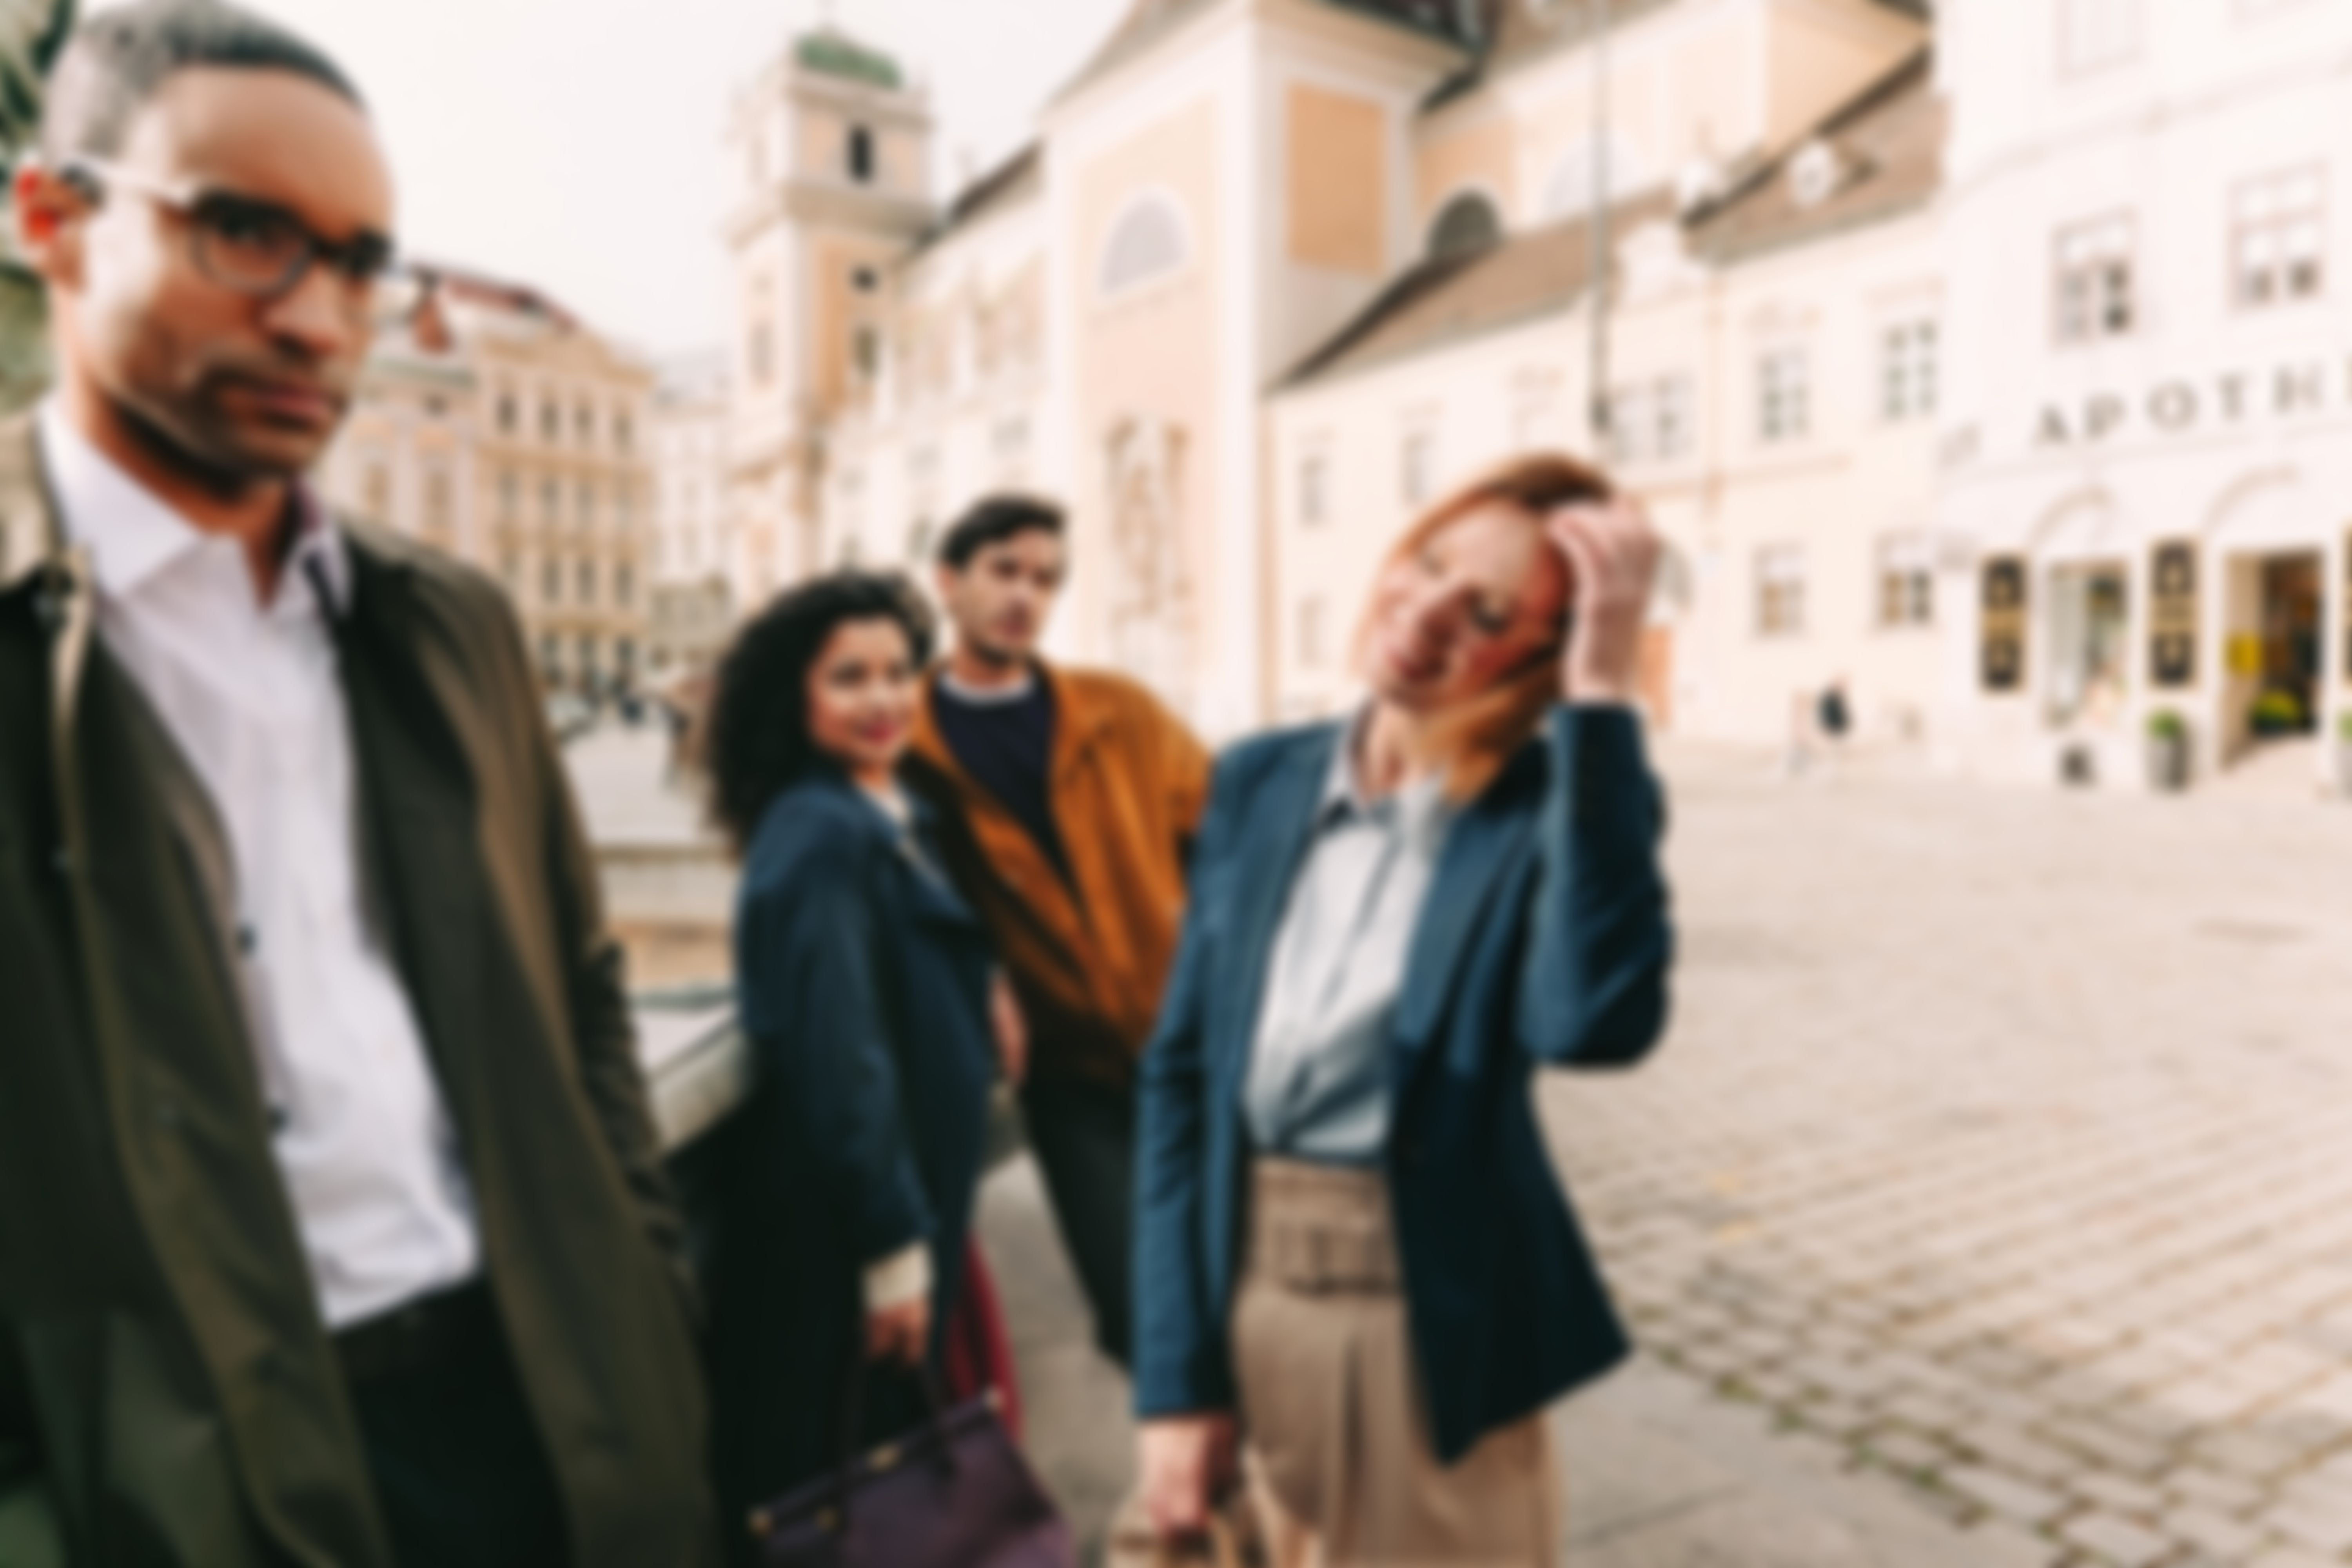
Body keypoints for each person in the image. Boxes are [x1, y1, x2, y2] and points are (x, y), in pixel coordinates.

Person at [0, 5, 719, 1566]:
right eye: (244, 232)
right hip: (175, 1481)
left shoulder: (450, 619)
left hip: (540, 1412)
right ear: (50, 218)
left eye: (360, 262)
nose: (320, 319)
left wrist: (640, 1305)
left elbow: (585, 997)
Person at [1131, 455, 1675, 1565]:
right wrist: (1173, 1378)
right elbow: (1182, 1077)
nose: (1424, 618)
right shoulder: (1258, 780)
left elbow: (1594, 1024)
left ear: (1536, 657)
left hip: (1420, 1326)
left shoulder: (1544, 811)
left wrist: (1604, 696)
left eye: (1486, 614)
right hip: (1239, 1291)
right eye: (1428, 565)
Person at [699, 571, 1018, 1547]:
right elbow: (843, 1058)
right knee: (855, 1493)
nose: (883, 700)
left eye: (898, 673)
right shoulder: (819, 833)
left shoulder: (883, 810)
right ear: (793, 699)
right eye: (849, 678)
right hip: (850, 1239)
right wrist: (892, 1249)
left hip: (909, 1204)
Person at [906, 495, 1210, 1371]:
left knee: (1236, 1294)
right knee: (1135, 1307)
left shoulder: (1121, 712)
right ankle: (1205, 1488)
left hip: (1190, 1058)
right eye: (1004, 570)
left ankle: (1235, 1491)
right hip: (1070, 1084)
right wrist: (981, 975)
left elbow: (1232, 843)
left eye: (1045, 579)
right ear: (949, 582)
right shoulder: (909, 741)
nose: (1024, 596)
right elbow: (901, 896)